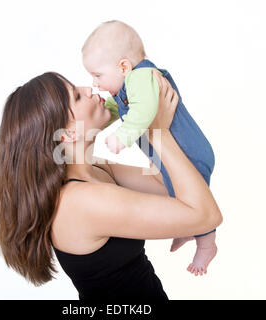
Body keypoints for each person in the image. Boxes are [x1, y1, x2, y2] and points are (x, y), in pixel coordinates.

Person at [0, 70, 222, 300]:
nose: (88, 90)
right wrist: (157, 133)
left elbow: (172, 187)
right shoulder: (81, 202)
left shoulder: (96, 170)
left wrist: (144, 115)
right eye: (77, 96)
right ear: (69, 134)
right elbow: (205, 216)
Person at [82, 20, 218, 275]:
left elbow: (143, 112)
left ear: (123, 66)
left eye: (97, 75)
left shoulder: (141, 77)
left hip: (190, 152)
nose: (95, 84)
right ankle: (186, 229)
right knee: (176, 195)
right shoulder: (127, 86)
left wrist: (123, 137)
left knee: (191, 198)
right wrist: (96, 125)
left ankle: (206, 244)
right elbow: (117, 110)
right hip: (173, 155)